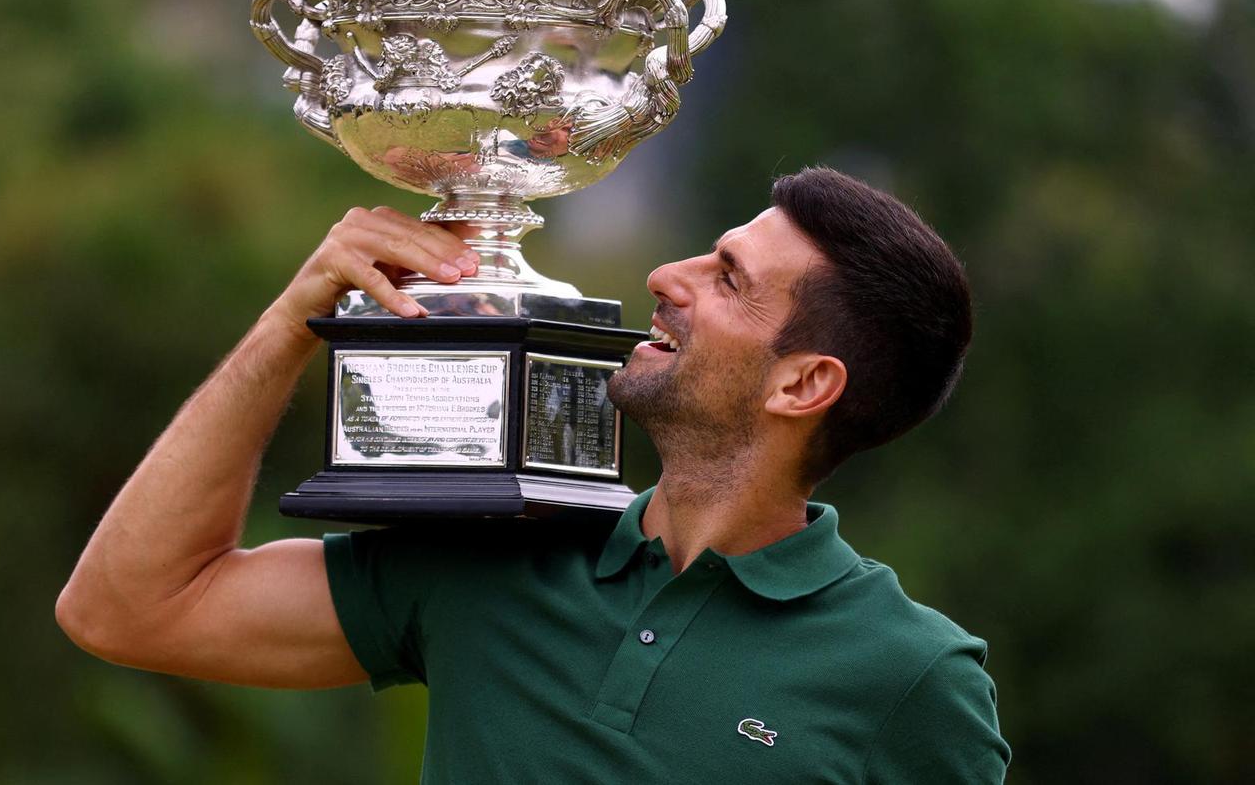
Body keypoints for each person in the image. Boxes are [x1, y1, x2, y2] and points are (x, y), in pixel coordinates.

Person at [57, 166, 1010, 783]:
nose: (665, 277)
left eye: (726, 278)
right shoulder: (494, 551)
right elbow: (126, 607)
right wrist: (291, 323)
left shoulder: (911, 678)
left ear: (805, 383)